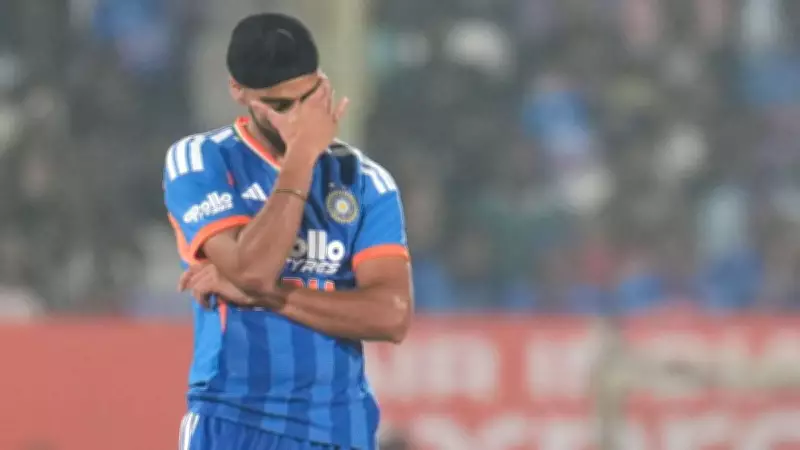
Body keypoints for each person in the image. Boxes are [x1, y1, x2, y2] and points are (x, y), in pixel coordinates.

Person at [163, 13, 413, 450]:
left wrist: (268, 295)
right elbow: (253, 270)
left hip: (340, 429)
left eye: (308, 98)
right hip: (233, 420)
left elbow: (390, 315)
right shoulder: (201, 159)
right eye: (280, 106)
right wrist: (302, 156)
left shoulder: (365, 181)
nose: (297, 118)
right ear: (238, 91)